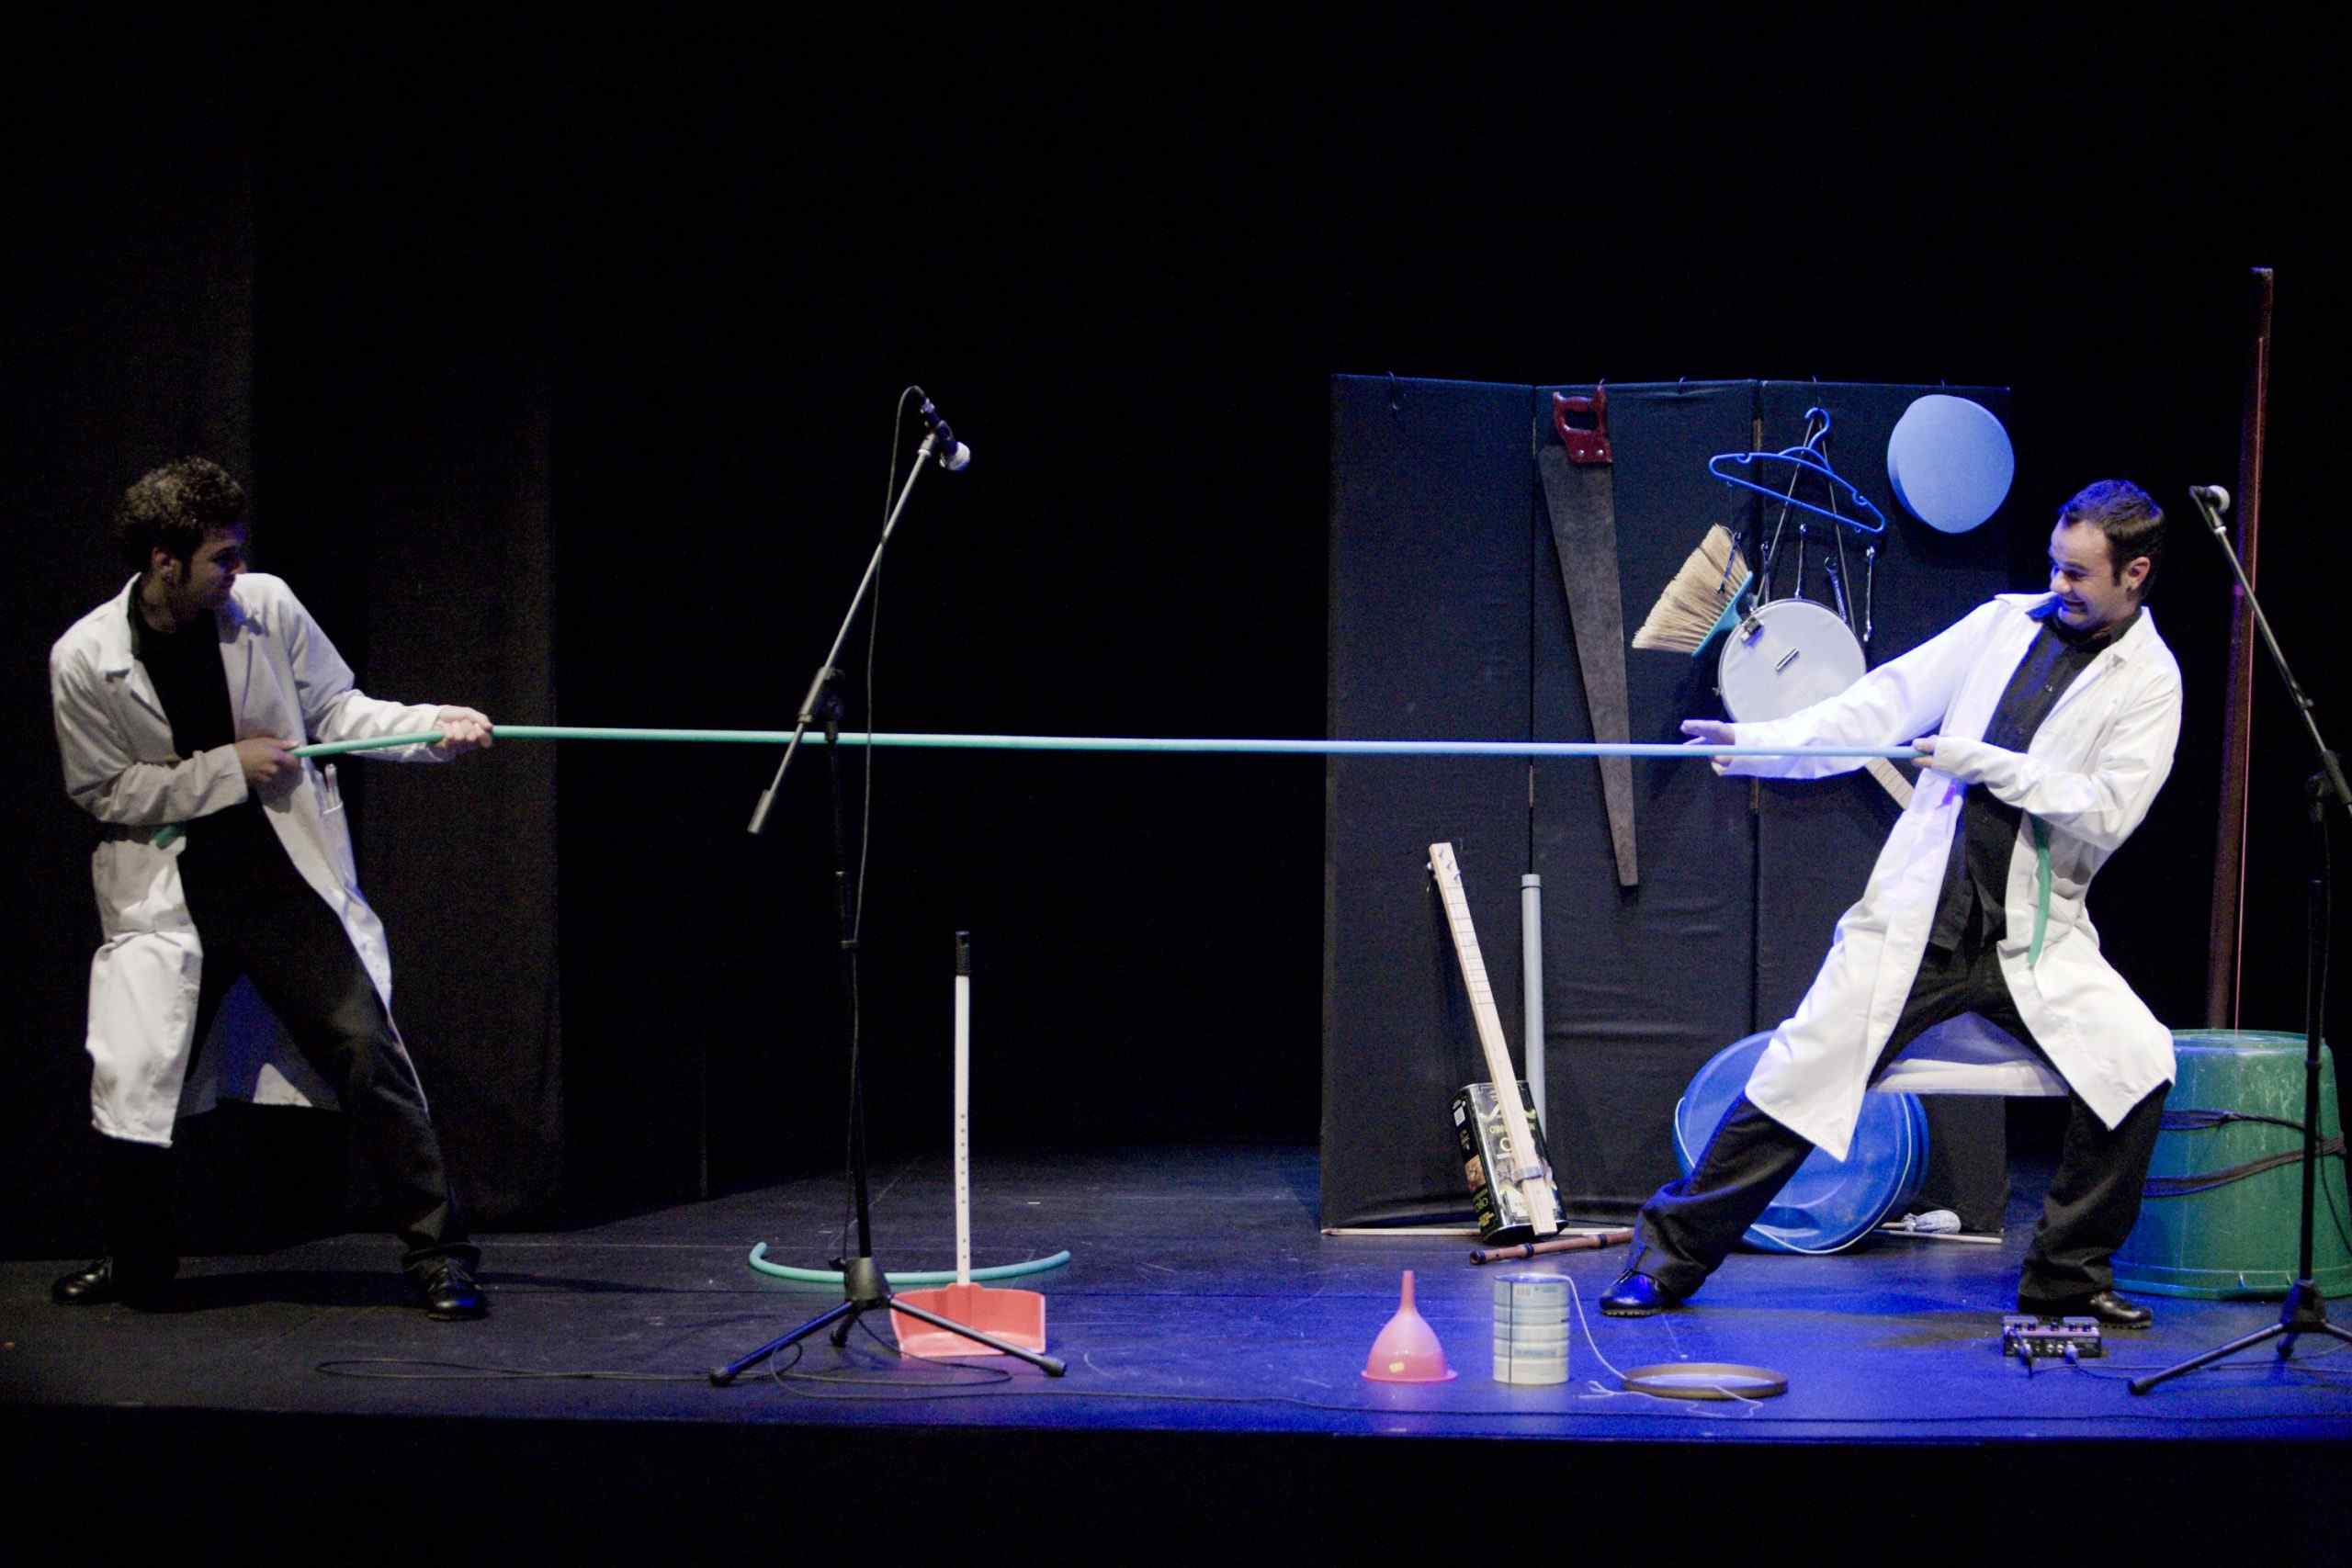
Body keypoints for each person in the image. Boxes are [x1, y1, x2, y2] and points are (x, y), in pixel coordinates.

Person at [1603, 479, 2180, 1326]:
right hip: (1924, 923)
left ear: (2135, 573)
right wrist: (1759, 741)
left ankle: (2066, 1277)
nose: (2058, 585)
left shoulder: (2151, 680)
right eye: (2056, 566)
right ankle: (1666, 1261)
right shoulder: (2001, 625)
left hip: (2032, 937)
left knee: (2138, 1063)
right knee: (1797, 1075)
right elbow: (1881, 704)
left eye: (2078, 574)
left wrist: (1985, 762)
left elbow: (2109, 810)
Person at [48, 457, 493, 1319]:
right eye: (220, 557)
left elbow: (339, 711)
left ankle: (440, 1253)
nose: (237, 570)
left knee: (366, 1048)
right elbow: (104, 790)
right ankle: (138, 1261)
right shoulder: (84, 659)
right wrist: (229, 768)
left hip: (282, 885)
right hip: (170, 895)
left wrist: (431, 727)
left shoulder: (269, 608)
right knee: (137, 1077)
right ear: (164, 561)